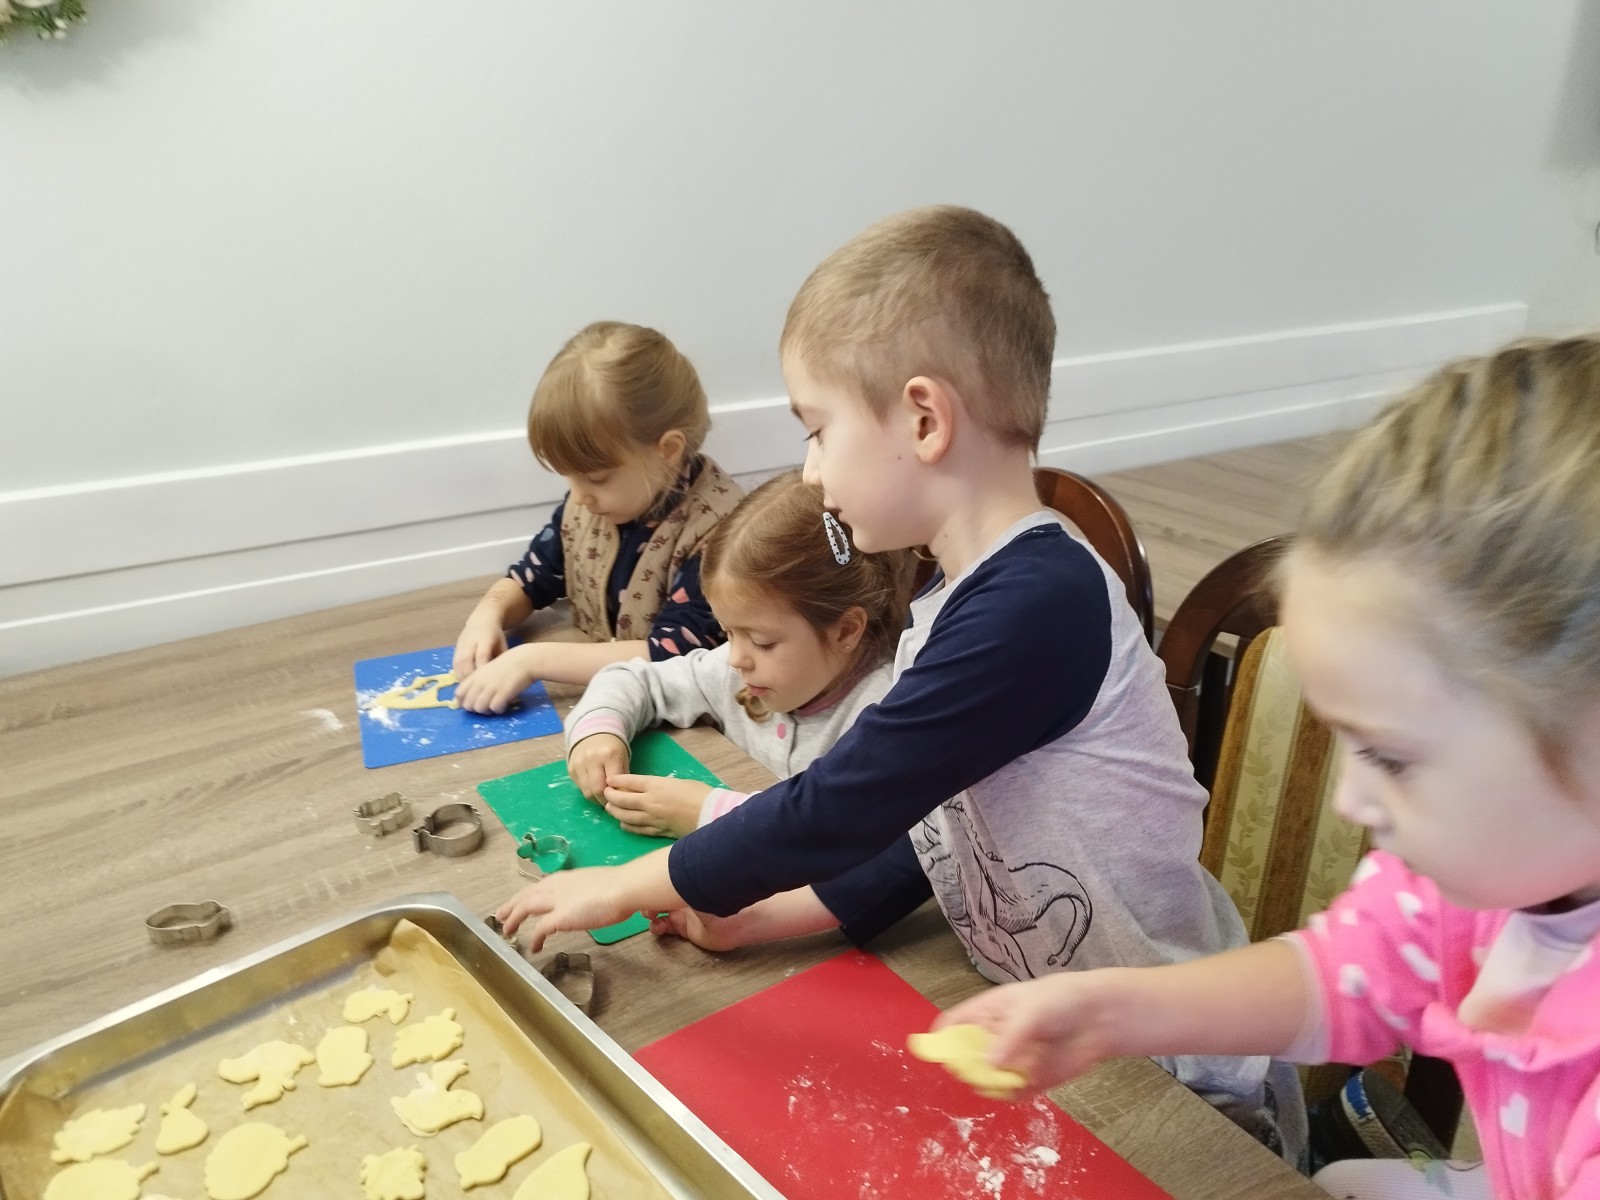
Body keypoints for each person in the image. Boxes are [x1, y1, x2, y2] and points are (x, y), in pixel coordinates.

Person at [498, 205, 1304, 1158]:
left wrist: (625, 885)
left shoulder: (1038, 604)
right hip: (1054, 1037)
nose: (810, 470)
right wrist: (765, 919)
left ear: (924, 420)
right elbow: (923, 834)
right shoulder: (950, 602)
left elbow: (843, 805)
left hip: (1183, 1079)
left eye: (817, 429)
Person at [936, 335, 1600, 1199]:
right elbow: (1345, 975)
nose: (1353, 799)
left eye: (1391, 757)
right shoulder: (1488, 886)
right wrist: (1116, 1010)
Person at [563, 469, 914, 839]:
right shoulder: (736, 671)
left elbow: (845, 831)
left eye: (762, 641)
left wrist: (709, 812)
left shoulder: (886, 715)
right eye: (728, 632)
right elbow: (634, 679)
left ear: (845, 631)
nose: (736, 658)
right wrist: (598, 732)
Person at [453, 321, 742, 709]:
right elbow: (532, 578)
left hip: (686, 720)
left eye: (596, 478)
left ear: (668, 451)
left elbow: (673, 654)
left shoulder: (722, 534)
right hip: (609, 703)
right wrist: (488, 614)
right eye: (568, 476)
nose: (577, 496)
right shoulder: (592, 505)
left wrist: (533, 660)